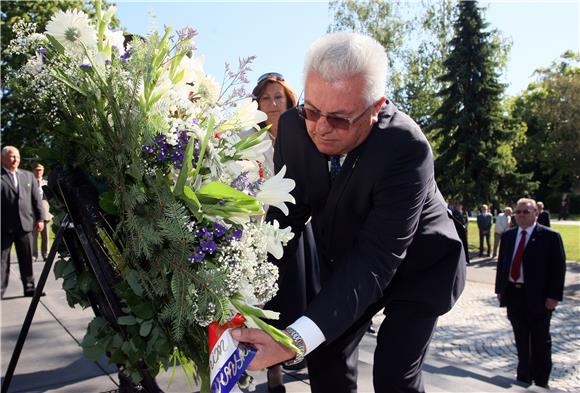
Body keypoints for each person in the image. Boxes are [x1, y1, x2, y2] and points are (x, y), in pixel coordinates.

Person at [232, 32, 466, 393]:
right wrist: (252, 294)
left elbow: (375, 261)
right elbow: (285, 223)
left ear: (376, 107)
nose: (321, 129)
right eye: (312, 111)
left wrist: (293, 339)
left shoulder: (407, 148)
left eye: (340, 119)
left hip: (418, 267)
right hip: (345, 262)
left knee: (394, 376)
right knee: (325, 362)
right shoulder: (294, 129)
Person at [252, 72, 319, 393]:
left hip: (302, 228)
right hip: (265, 230)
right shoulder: (249, 139)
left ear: (289, 101)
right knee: (272, 302)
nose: (273, 103)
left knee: (304, 297)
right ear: (257, 104)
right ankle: (274, 373)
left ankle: (305, 350)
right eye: (266, 98)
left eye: (278, 97)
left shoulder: (304, 133)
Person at [494, 198, 566, 388]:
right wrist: (500, 290)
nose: (521, 215)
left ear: (536, 213)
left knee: (540, 339)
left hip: (539, 297)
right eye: (518, 212)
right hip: (514, 294)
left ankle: (541, 381)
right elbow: (503, 265)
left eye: (526, 212)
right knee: (521, 337)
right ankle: (523, 375)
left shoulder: (550, 237)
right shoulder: (509, 236)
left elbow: (558, 269)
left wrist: (554, 297)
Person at [1, 146, 46, 297]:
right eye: (12, 156)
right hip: (4, 226)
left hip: (25, 225)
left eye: (17, 157)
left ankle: (29, 287)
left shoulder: (28, 176)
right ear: (2, 158)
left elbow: (36, 200)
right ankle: (0, 288)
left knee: (26, 257)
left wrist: (40, 218)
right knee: (2, 260)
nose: (15, 160)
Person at [31, 163, 51, 262]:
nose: (38, 172)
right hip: (33, 214)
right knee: (33, 236)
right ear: (33, 171)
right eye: (36, 170)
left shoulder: (47, 183)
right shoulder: (29, 182)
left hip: (45, 214)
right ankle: (33, 255)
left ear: (43, 171)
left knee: (46, 236)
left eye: (40, 170)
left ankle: (45, 254)